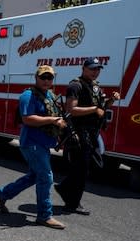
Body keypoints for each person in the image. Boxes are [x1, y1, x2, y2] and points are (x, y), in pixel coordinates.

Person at [0, 65, 67, 230]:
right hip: (32, 144)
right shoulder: (28, 96)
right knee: (46, 177)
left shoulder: (50, 95)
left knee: (34, 176)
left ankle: (2, 193)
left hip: (44, 144)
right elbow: (27, 119)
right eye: (44, 77)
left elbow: (55, 118)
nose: (47, 81)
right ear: (36, 78)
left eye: (50, 78)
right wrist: (52, 120)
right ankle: (44, 216)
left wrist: (59, 127)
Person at [54, 57, 120, 215]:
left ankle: (64, 188)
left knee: (92, 165)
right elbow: (72, 109)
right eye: (92, 69)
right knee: (82, 168)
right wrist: (94, 110)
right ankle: (72, 203)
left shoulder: (95, 86)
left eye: (97, 69)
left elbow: (101, 107)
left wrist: (111, 100)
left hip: (92, 132)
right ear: (83, 69)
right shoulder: (75, 85)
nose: (95, 72)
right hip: (79, 131)